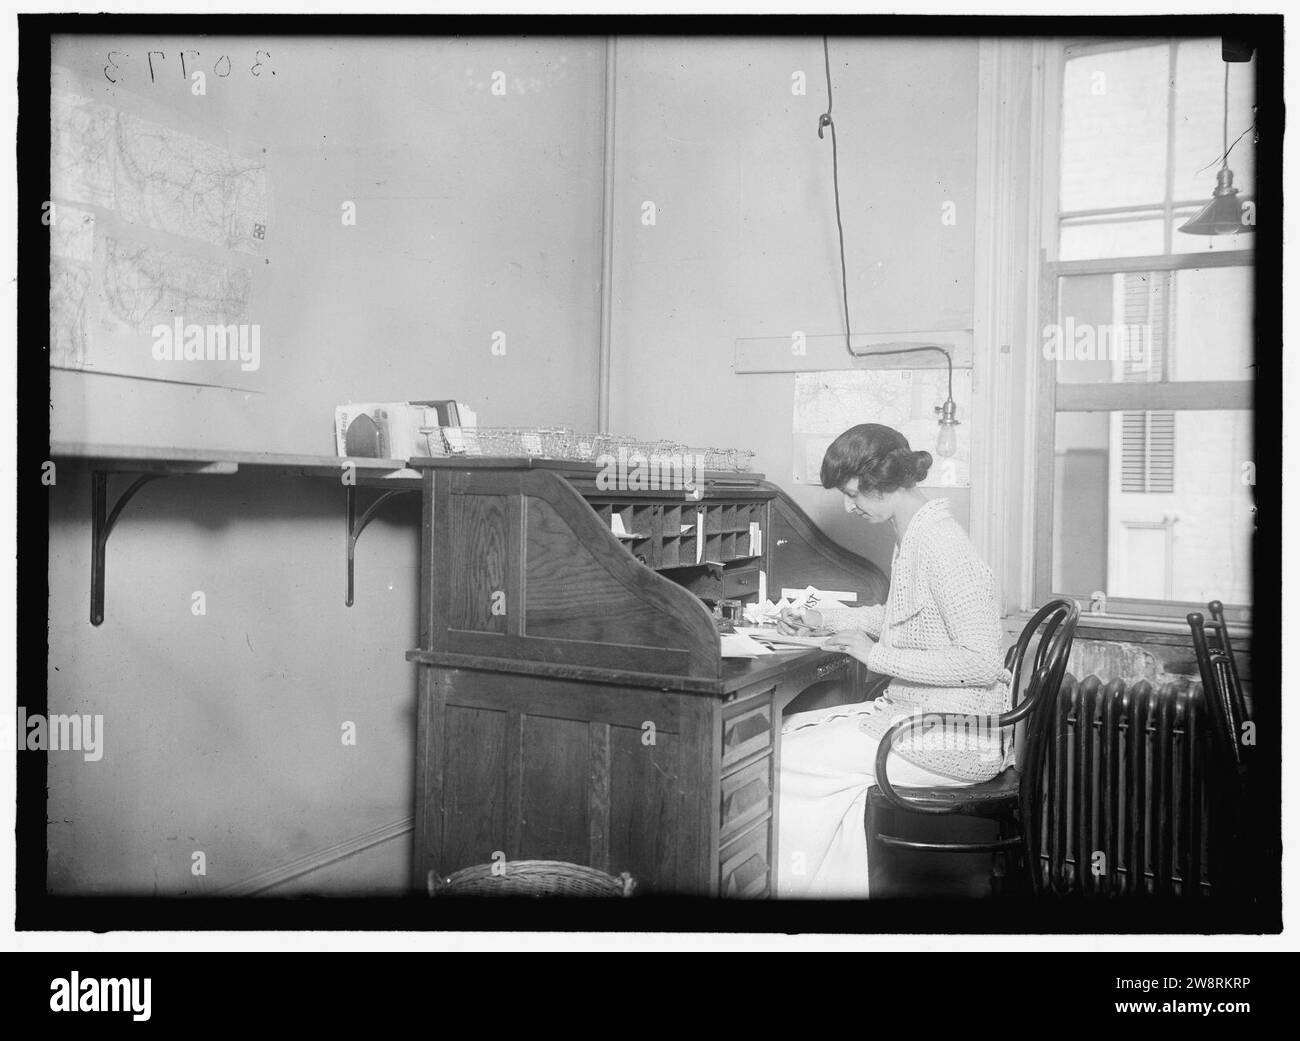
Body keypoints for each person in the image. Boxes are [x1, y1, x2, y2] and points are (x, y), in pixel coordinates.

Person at [775, 423, 1011, 899]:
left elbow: (984, 662)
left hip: (957, 739)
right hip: (932, 719)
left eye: (852, 494)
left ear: (880, 482)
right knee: (788, 734)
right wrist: (825, 617)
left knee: (782, 761)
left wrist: (876, 654)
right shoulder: (917, 532)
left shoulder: (941, 545)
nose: (848, 506)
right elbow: (902, 615)